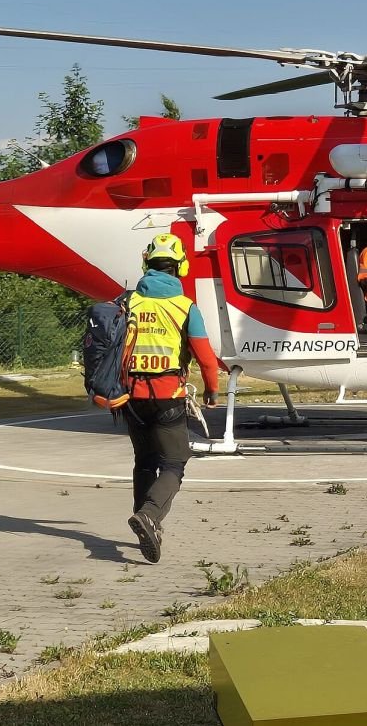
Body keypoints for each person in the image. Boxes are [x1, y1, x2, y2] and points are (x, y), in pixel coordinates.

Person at [122, 233, 221, 564]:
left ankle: (144, 520)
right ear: (180, 267)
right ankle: (150, 516)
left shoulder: (128, 302)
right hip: (168, 395)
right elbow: (206, 358)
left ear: (145, 264)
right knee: (175, 461)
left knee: (145, 461)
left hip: (130, 397)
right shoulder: (184, 307)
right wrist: (211, 390)